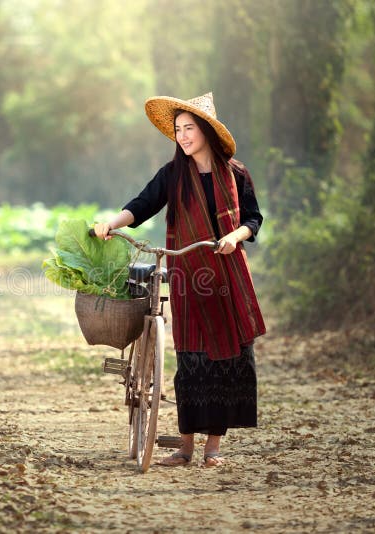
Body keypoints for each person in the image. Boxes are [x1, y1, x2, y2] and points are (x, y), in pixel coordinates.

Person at [93, 92, 266, 468]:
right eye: (178, 130)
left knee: (227, 361)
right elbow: (141, 205)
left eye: (189, 128)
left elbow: (252, 220)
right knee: (190, 361)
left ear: (206, 131)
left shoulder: (236, 174)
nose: (183, 136)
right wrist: (110, 223)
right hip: (189, 275)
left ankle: (213, 449)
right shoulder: (173, 175)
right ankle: (186, 447)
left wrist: (234, 238)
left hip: (227, 276)